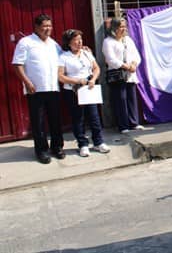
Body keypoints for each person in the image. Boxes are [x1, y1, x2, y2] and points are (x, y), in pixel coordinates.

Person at [12, 14, 64, 164]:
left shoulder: (54, 44)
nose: (48, 29)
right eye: (45, 26)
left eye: (50, 26)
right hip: (35, 89)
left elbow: (65, 58)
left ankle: (57, 147)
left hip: (53, 87)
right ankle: (41, 151)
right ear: (36, 27)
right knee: (38, 122)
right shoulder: (26, 42)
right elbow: (17, 64)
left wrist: (82, 50)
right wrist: (27, 82)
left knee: (55, 120)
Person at [58, 29, 110, 157]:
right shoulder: (63, 57)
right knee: (78, 118)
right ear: (69, 43)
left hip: (88, 88)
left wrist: (92, 79)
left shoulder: (86, 53)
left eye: (80, 39)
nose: (79, 42)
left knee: (94, 116)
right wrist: (76, 80)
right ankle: (83, 144)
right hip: (73, 90)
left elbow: (96, 68)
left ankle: (98, 142)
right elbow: (60, 76)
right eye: (75, 40)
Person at [102, 18, 144, 133]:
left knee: (131, 98)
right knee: (120, 99)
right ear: (114, 28)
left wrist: (134, 64)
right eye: (121, 27)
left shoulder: (128, 40)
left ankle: (134, 123)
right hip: (118, 74)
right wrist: (125, 66)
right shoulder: (108, 42)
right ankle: (123, 125)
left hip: (130, 74)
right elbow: (110, 59)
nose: (123, 29)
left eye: (125, 26)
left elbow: (136, 55)